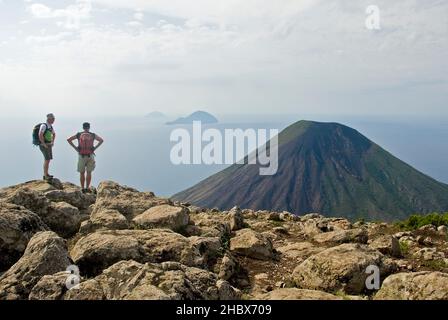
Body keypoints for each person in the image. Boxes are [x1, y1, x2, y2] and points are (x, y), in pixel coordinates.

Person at [67, 122, 104, 193]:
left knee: (82, 173)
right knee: (89, 172)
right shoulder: (93, 135)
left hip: (81, 156)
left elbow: (69, 139)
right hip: (90, 155)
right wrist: (94, 148)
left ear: (83, 128)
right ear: (89, 127)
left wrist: (75, 148)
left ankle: (82, 188)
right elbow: (101, 140)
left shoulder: (79, 134)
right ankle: (87, 188)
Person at [39, 113, 56, 181]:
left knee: (48, 160)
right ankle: (45, 175)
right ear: (49, 119)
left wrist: (52, 142)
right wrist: (43, 143)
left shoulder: (50, 126)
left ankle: (46, 174)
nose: (54, 120)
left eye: (54, 119)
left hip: (48, 144)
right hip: (44, 145)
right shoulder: (44, 125)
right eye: (53, 119)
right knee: (47, 160)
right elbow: (40, 134)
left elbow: (54, 134)